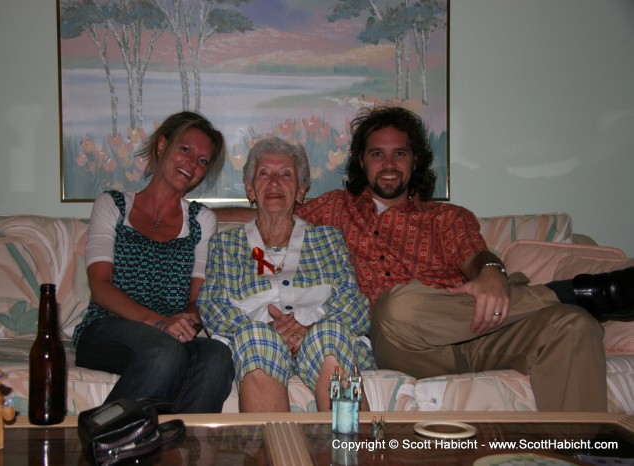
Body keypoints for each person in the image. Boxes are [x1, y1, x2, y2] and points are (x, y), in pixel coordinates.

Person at [217, 106, 634, 411]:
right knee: (396, 306)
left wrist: (491, 272)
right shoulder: (334, 210)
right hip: (408, 343)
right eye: (377, 153)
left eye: (400, 153)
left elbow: (476, 257)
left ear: (415, 160)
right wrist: (195, 218)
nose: (389, 163)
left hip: (482, 328)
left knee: (573, 324)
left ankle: (578, 452)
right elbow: (272, 209)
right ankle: (572, 292)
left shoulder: (447, 217)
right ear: (362, 161)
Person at [198, 137, 376, 413]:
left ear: (301, 190)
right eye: (264, 174)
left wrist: (307, 331)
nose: (274, 183)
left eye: (286, 174)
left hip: (323, 339)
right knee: (257, 339)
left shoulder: (327, 239)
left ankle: (353, 449)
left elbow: (354, 304)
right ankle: (274, 453)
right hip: (254, 344)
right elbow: (213, 307)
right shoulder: (226, 244)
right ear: (250, 189)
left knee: (328, 337)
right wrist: (269, 332)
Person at [72, 111, 234, 413]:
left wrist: (185, 322)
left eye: (202, 161)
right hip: (106, 329)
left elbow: (195, 300)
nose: (192, 164)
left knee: (216, 354)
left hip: (171, 336)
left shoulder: (201, 220)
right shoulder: (113, 205)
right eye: (186, 150)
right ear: (162, 146)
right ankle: (101, 438)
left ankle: (181, 451)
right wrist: (159, 323)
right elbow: (100, 287)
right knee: (165, 353)